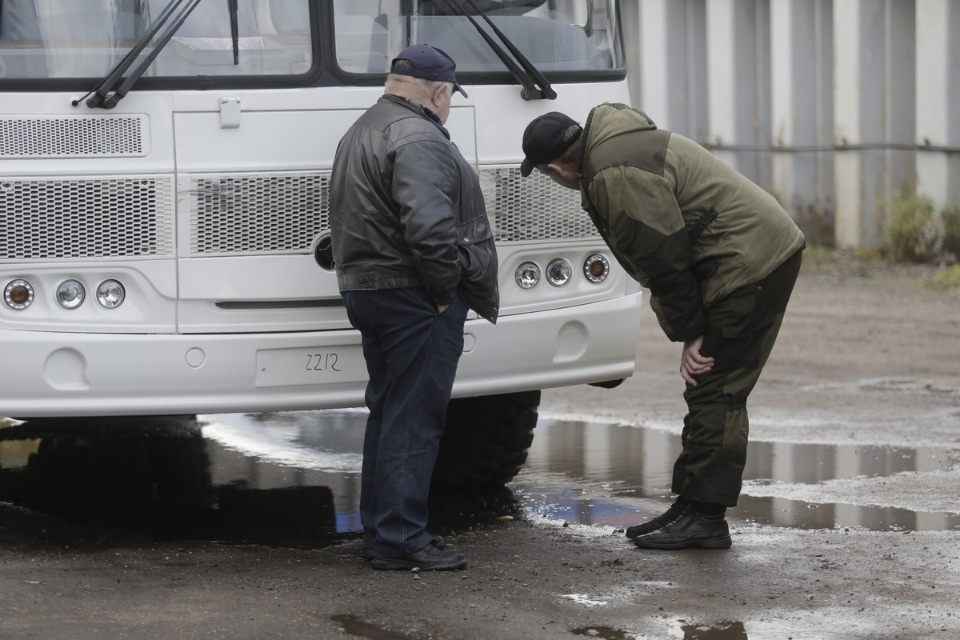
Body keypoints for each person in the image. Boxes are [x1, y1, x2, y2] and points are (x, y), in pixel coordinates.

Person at [519, 104, 805, 550]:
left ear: (555, 167)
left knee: (715, 385)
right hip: (745, 253)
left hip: (749, 263)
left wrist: (691, 333)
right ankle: (690, 507)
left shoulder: (614, 173)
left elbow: (663, 260)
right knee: (707, 385)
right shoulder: (617, 147)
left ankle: (706, 519)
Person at [329, 44, 499, 570]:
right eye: (450, 97)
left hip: (370, 287)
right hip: (413, 295)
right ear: (440, 91)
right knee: (414, 418)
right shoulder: (420, 135)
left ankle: (384, 534)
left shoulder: (362, 128)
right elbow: (428, 228)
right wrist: (446, 290)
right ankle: (402, 538)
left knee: (390, 411)